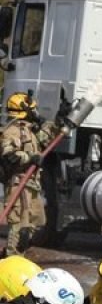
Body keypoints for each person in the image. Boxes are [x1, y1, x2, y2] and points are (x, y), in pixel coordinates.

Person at [1, 91, 60, 259]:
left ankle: (15, 254)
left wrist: (57, 121)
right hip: (19, 185)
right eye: (33, 109)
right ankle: (11, 260)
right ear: (25, 110)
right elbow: (9, 155)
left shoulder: (27, 130)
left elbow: (44, 139)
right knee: (20, 226)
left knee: (35, 222)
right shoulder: (11, 131)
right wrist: (30, 158)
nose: (35, 112)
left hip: (32, 185)